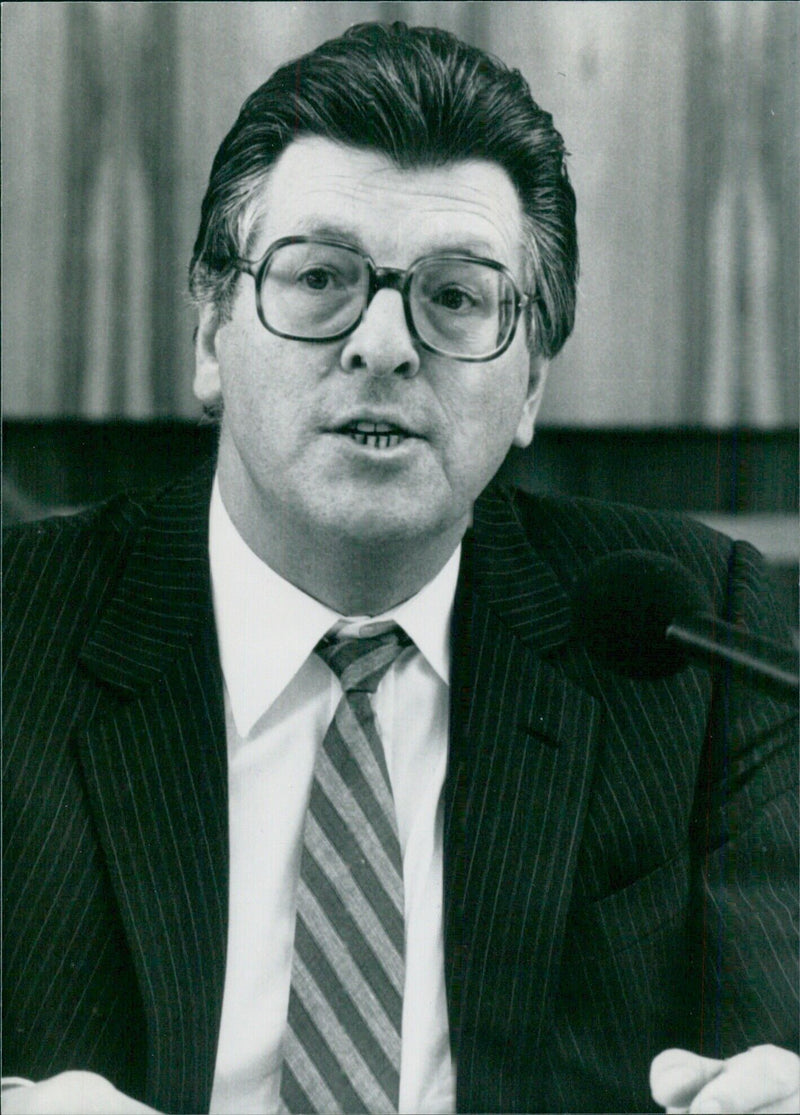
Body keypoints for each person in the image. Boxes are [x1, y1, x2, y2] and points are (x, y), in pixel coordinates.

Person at [2, 21, 797, 1115]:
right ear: (210, 336)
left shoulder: (690, 637)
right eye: (319, 276)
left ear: (527, 389)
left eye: (456, 296)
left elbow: (776, 1025)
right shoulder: (13, 627)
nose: (382, 343)